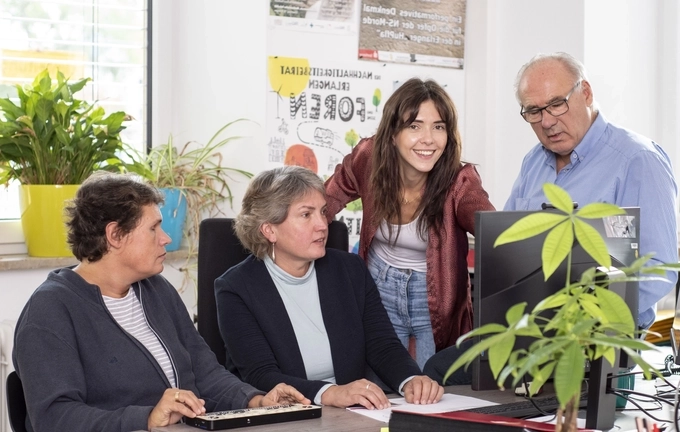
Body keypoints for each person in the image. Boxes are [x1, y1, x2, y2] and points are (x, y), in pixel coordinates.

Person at [423, 52, 678, 386]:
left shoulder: (637, 160)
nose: (546, 121)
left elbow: (659, 269)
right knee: (437, 369)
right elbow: (508, 250)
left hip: (596, 340)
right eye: (534, 111)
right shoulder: (534, 162)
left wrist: (583, 324)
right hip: (526, 331)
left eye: (557, 104)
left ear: (586, 93)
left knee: (443, 375)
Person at [12, 172, 309, 432]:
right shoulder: (50, 310)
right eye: (153, 228)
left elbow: (205, 372)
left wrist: (256, 400)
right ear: (115, 235)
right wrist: (146, 418)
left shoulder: (156, 290)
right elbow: (54, 418)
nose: (165, 238)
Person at [215, 166, 444, 410]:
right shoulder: (235, 288)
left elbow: (382, 345)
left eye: (323, 212)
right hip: (286, 416)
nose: (322, 225)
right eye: (306, 214)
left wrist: (410, 379)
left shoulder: (350, 269)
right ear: (269, 230)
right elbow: (261, 375)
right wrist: (330, 393)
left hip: (352, 413)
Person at [324, 78, 495, 368]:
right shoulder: (368, 158)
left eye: (438, 127)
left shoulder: (460, 182)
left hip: (433, 298)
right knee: (378, 379)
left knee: (430, 381)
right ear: (393, 133)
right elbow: (325, 200)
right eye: (414, 126)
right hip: (378, 285)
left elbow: (493, 230)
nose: (428, 139)